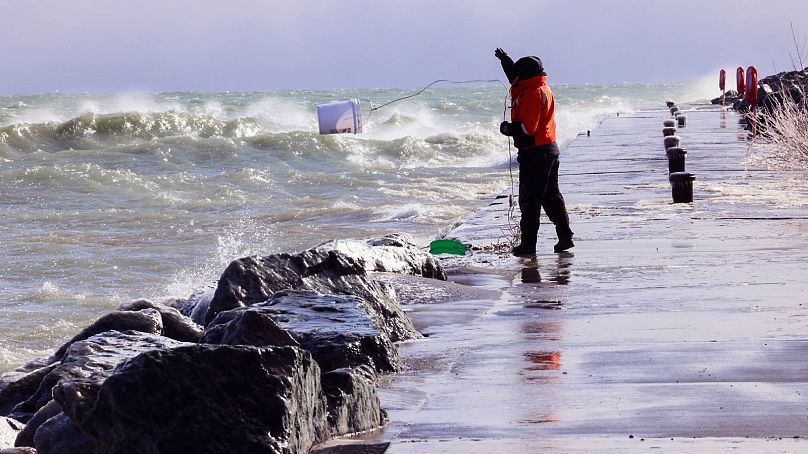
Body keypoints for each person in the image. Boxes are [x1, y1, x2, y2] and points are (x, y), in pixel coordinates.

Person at [495, 48, 574, 255]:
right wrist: (505, 60)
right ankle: (565, 237)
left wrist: (507, 129)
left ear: (525, 75)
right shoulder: (539, 85)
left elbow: (528, 129)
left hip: (537, 153)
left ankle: (529, 244)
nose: (515, 76)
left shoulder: (531, 94)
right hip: (549, 150)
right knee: (551, 197)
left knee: (531, 200)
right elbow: (515, 76)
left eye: (518, 72)